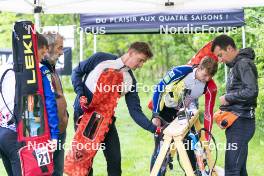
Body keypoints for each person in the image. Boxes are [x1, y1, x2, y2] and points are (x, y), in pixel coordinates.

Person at [71, 42, 159, 176]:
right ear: (131, 53)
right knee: (84, 163)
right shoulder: (100, 58)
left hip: (106, 122)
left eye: (143, 62)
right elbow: (76, 72)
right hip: (84, 118)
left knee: (115, 161)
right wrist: (80, 93)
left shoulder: (130, 81)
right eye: (140, 60)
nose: (140, 65)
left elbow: (135, 111)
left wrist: (155, 129)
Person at [0, 33, 59, 176]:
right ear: (33, 49)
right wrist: (55, 136)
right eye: (42, 52)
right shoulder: (41, 70)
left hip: (2, 133)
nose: (44, 56)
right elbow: (50, 103)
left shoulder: (5, 67)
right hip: (22, 135)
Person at [150, 57, 218, 175]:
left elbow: (208, 113)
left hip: (184, 114)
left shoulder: (210, 86)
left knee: (192, 148)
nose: (207, 79)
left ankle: (194, 172)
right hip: (165, 112)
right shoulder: (181, 71)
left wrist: (207, 139)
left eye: (210, 77)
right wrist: (155, 115)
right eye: (205, 75)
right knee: (161, 150)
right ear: (199, 68)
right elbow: (159, 88)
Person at [211, 34, 258, 176]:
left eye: (220, 55)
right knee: (240, 170)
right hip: (238, 122)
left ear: (230, 48)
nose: (219, 60)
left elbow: (252, 91)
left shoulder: (243, 64)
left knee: (231, 170)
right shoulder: (236, 64)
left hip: (242, 124)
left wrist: (228, 97)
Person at [42, 32, 68, 176]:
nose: (62, 52)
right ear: (48, 47)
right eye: (59, 48)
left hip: (60, 129)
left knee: (58, 171)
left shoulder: (51, 67)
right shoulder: (40, 68)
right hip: (49, 132)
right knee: (48, 171)